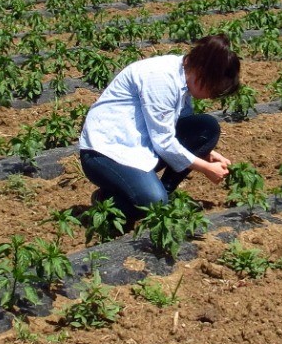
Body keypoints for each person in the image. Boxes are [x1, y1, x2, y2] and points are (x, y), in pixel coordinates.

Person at [77, 35, 241, 224]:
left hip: (138, 145)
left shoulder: (184, 78)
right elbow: (164, 142)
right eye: (214, 89)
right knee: (154, 201)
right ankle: (108, 200)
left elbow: (177, 129)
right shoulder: (162, 79)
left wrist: (208, 152)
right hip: (106, 153)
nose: (212, 96)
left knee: (207, 129)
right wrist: (206, 168)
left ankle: (159, 193)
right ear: (202, 73)